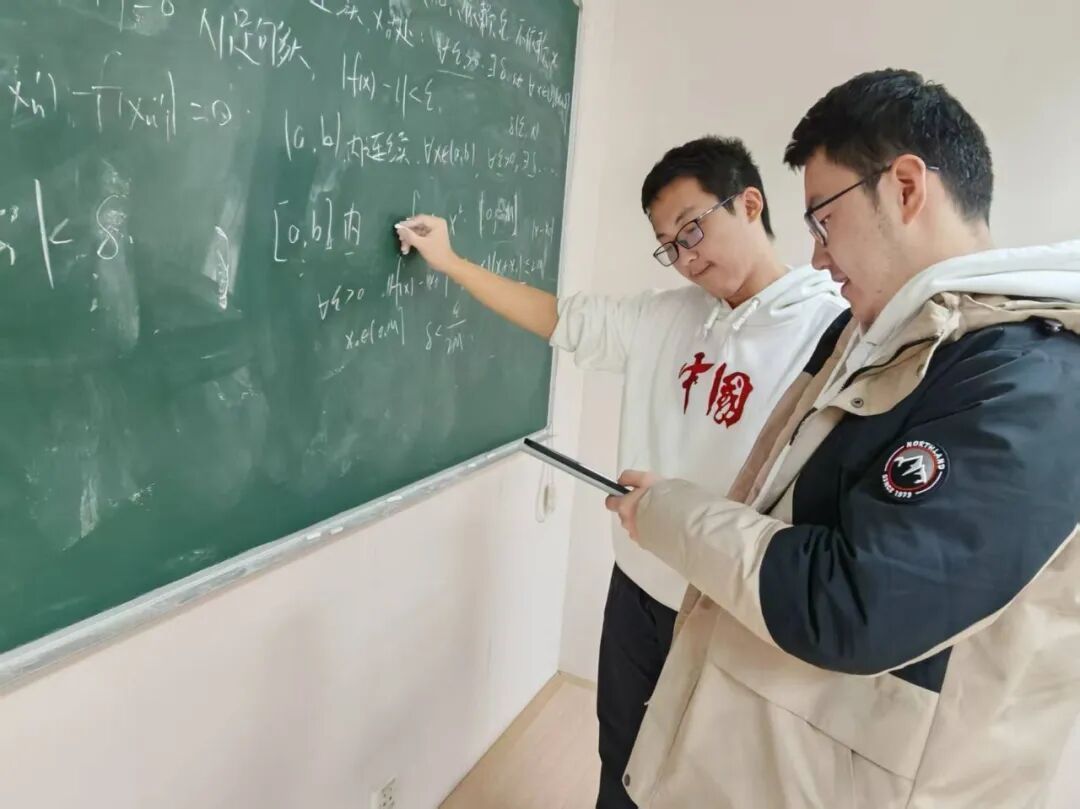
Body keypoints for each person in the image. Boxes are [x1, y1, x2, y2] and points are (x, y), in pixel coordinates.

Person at [607, 69, 1080, 808]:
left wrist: (671, 513)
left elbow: (856, 604)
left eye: (823, 220)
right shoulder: (873, 337)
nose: (819, 257)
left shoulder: (1032, 381)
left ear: (906, 188)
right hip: (771, 758)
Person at [395, 135, 846, 809]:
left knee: (710, 785)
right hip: (638, 587)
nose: (686, 258)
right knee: (621, 758)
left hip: (731, 612)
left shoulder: (830, 332)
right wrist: (452, 263)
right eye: (668, 245)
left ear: (750, 204)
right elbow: (560, 319)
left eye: (692, 229)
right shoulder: (667, 315)